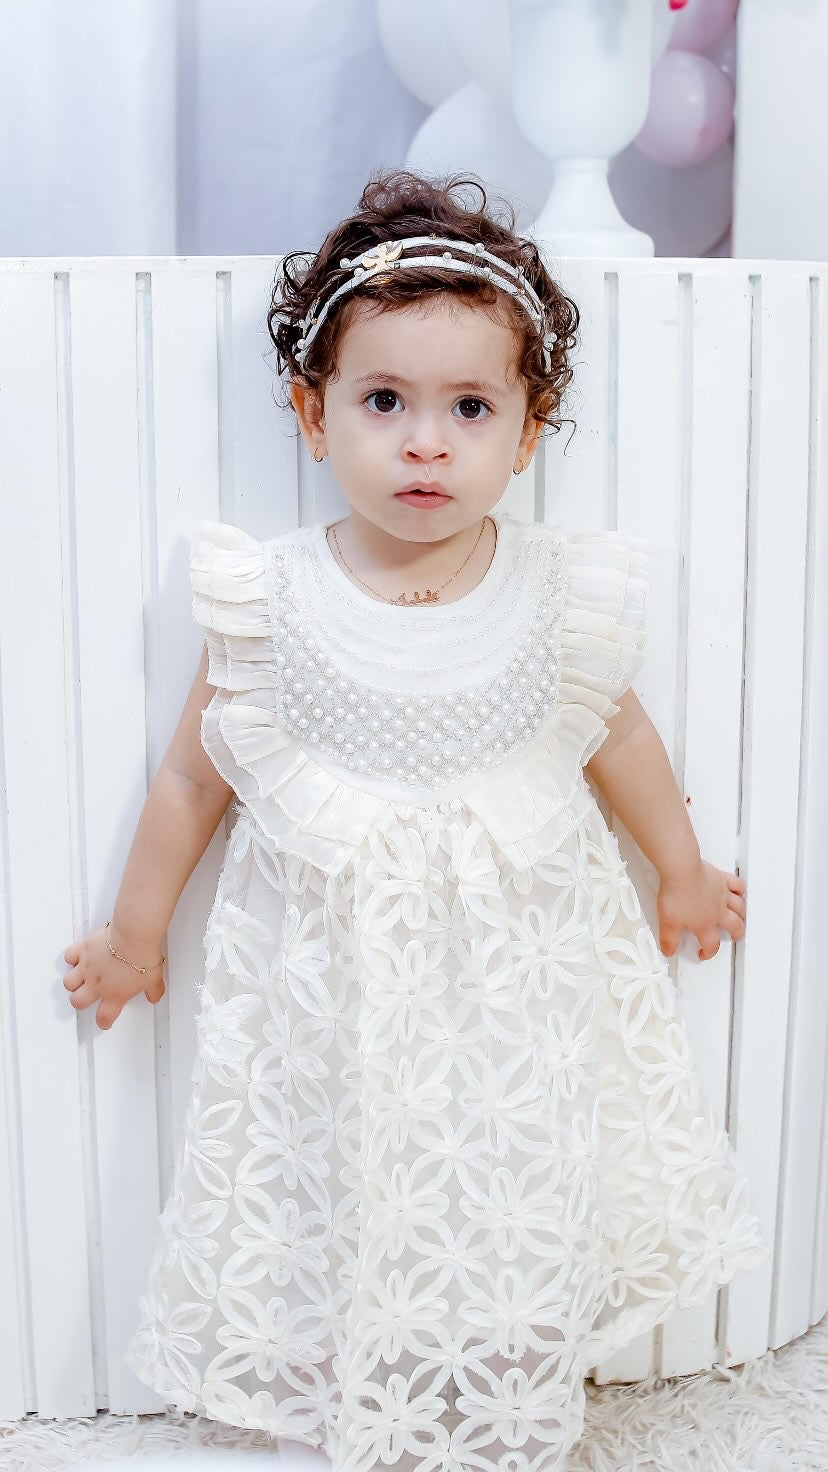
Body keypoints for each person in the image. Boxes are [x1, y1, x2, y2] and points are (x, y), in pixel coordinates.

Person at [63, 169, 767, 1471]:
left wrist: (679, 868)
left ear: (528, 428)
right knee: (345, 1171)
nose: (427, 442)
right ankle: (355, 1364)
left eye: (470, 408)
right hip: (341, 984)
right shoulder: (269, 601)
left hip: (519, 986)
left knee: (514, 1169)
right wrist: (135, 933)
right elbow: (191, 780)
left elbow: (620, 738)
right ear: (313, 414)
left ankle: (512, 1359)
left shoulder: (565, 597)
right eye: (385, 402)